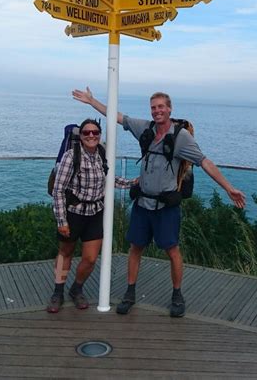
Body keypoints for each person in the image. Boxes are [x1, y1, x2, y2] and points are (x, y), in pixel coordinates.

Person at [72, 87, 246, 318]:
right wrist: (92, 101)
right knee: (135, 248)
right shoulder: (145, 129)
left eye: (161, 107)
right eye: (153, 107)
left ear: (170, 109)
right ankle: (130, 294)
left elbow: (205, 162)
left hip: (166, 207)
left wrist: (228, 188)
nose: (157, 111)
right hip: (143, 204)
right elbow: (117, 116)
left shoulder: (181, 137)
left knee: (172, 250)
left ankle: (177, 295)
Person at [47, 118, 135, 313]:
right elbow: (58, 190)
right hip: (73, 213)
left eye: (95, 132)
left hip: (95, 213)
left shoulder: (102, 154)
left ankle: (76, 289)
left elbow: (108, 179)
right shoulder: (71, 157)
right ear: (80, 136)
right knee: (65, 253)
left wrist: (131, 183)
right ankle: (58, 292)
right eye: (86, 133)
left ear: (100, 134)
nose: (91, 136)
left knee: (90, 258)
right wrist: (61, 220)